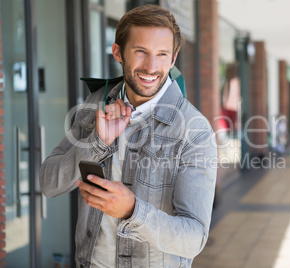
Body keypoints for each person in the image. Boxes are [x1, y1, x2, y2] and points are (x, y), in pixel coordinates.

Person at [40, 5, 217, 268]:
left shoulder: (194, 130)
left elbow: (194, 238)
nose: (151, 66)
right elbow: (49, 183)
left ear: (173, 58)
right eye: (141, 51)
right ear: (118, 52)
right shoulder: (96, 104)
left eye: (162, 54)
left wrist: (133, 211)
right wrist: (96, 142)